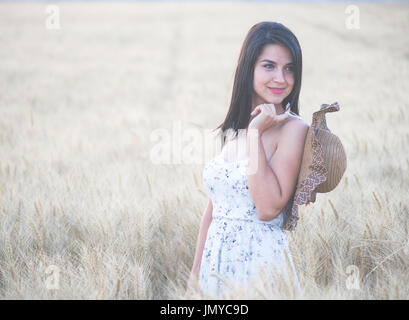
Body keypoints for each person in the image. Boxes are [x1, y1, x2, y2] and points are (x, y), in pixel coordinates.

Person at [188, 21, 308, 299]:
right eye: (269, 66)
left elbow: (268, 208)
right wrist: (194, 282)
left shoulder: (294, 129)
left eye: (289, 68)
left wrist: (255, 135)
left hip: (259, 269)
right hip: (215, 267)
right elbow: (212, 210)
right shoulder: (238, 125)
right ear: (248, 69)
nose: (281, 78)